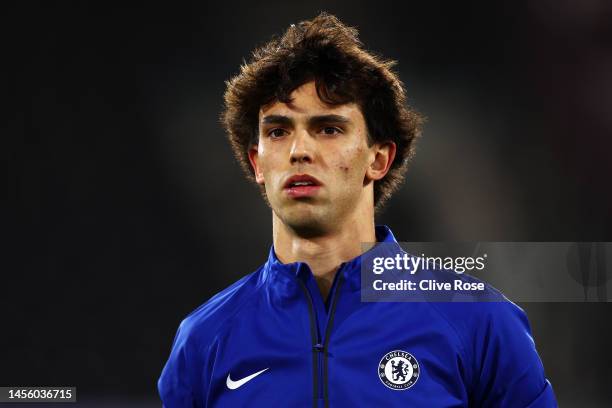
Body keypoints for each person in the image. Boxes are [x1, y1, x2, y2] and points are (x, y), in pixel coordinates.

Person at [158, 12, 557, 407]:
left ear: (378, 159)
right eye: (278, 131)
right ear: (258, 162)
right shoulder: (204, 340)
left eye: (328, 129)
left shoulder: (480, 322)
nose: (299, 151)